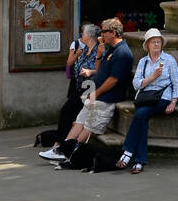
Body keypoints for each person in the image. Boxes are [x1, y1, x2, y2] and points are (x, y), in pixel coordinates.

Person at [40, 18, 133, 161]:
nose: (101, 34)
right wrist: (99, 56)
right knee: (80, 121)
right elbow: (100, 70)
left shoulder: (122, 52)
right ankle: (60, 150)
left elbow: (113, 79)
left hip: (106, 98)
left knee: (89, 126)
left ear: (113, 33)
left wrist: (97, 92)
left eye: (104, 31)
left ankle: (71, 154)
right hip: (97, 94)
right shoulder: (110, 49)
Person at [116, 28, 178, 173]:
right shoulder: (143, 62)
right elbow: (136, 84)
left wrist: (173, 102)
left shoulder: (169, 60)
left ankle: (128, 153)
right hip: (146, 98)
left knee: (140, 114)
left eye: (159, 42)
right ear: (147, 45)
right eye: (153, 42)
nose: (157, 45)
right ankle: (139, 162)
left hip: (162, 98)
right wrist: (152, 77)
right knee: (142, 119)